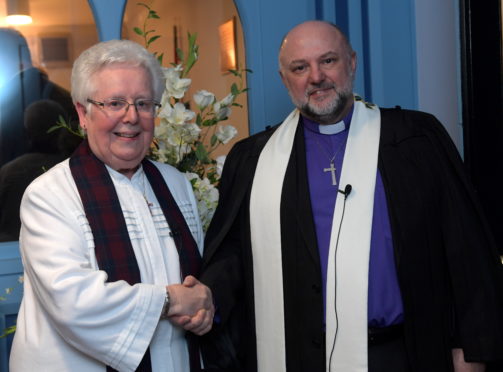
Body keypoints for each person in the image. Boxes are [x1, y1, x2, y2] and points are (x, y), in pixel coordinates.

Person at [200, 20, 503, 372]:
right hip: (300, 356)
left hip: (402, 353)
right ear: (285, 79)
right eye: (300, 67)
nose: (316, 77)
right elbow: (233, 254)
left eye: (328, 61)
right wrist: (205, 296)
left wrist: (472, 349)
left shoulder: (415, 139)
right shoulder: (253, 159)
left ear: (352, 63)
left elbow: (465, 246)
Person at [10, 39, 214, 372]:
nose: (132, 117)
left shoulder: (176, 184)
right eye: (115, 103)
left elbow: (196, 282)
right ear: (82, 114)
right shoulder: (49, 195)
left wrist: (204, 303)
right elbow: (74, 303)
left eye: (144, 103)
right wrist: (170, 299)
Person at [0, 99, 80, 242]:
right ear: (63, 126)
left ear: (28, 132)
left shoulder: (9, 171)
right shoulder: (77, 168)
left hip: (11, 253)